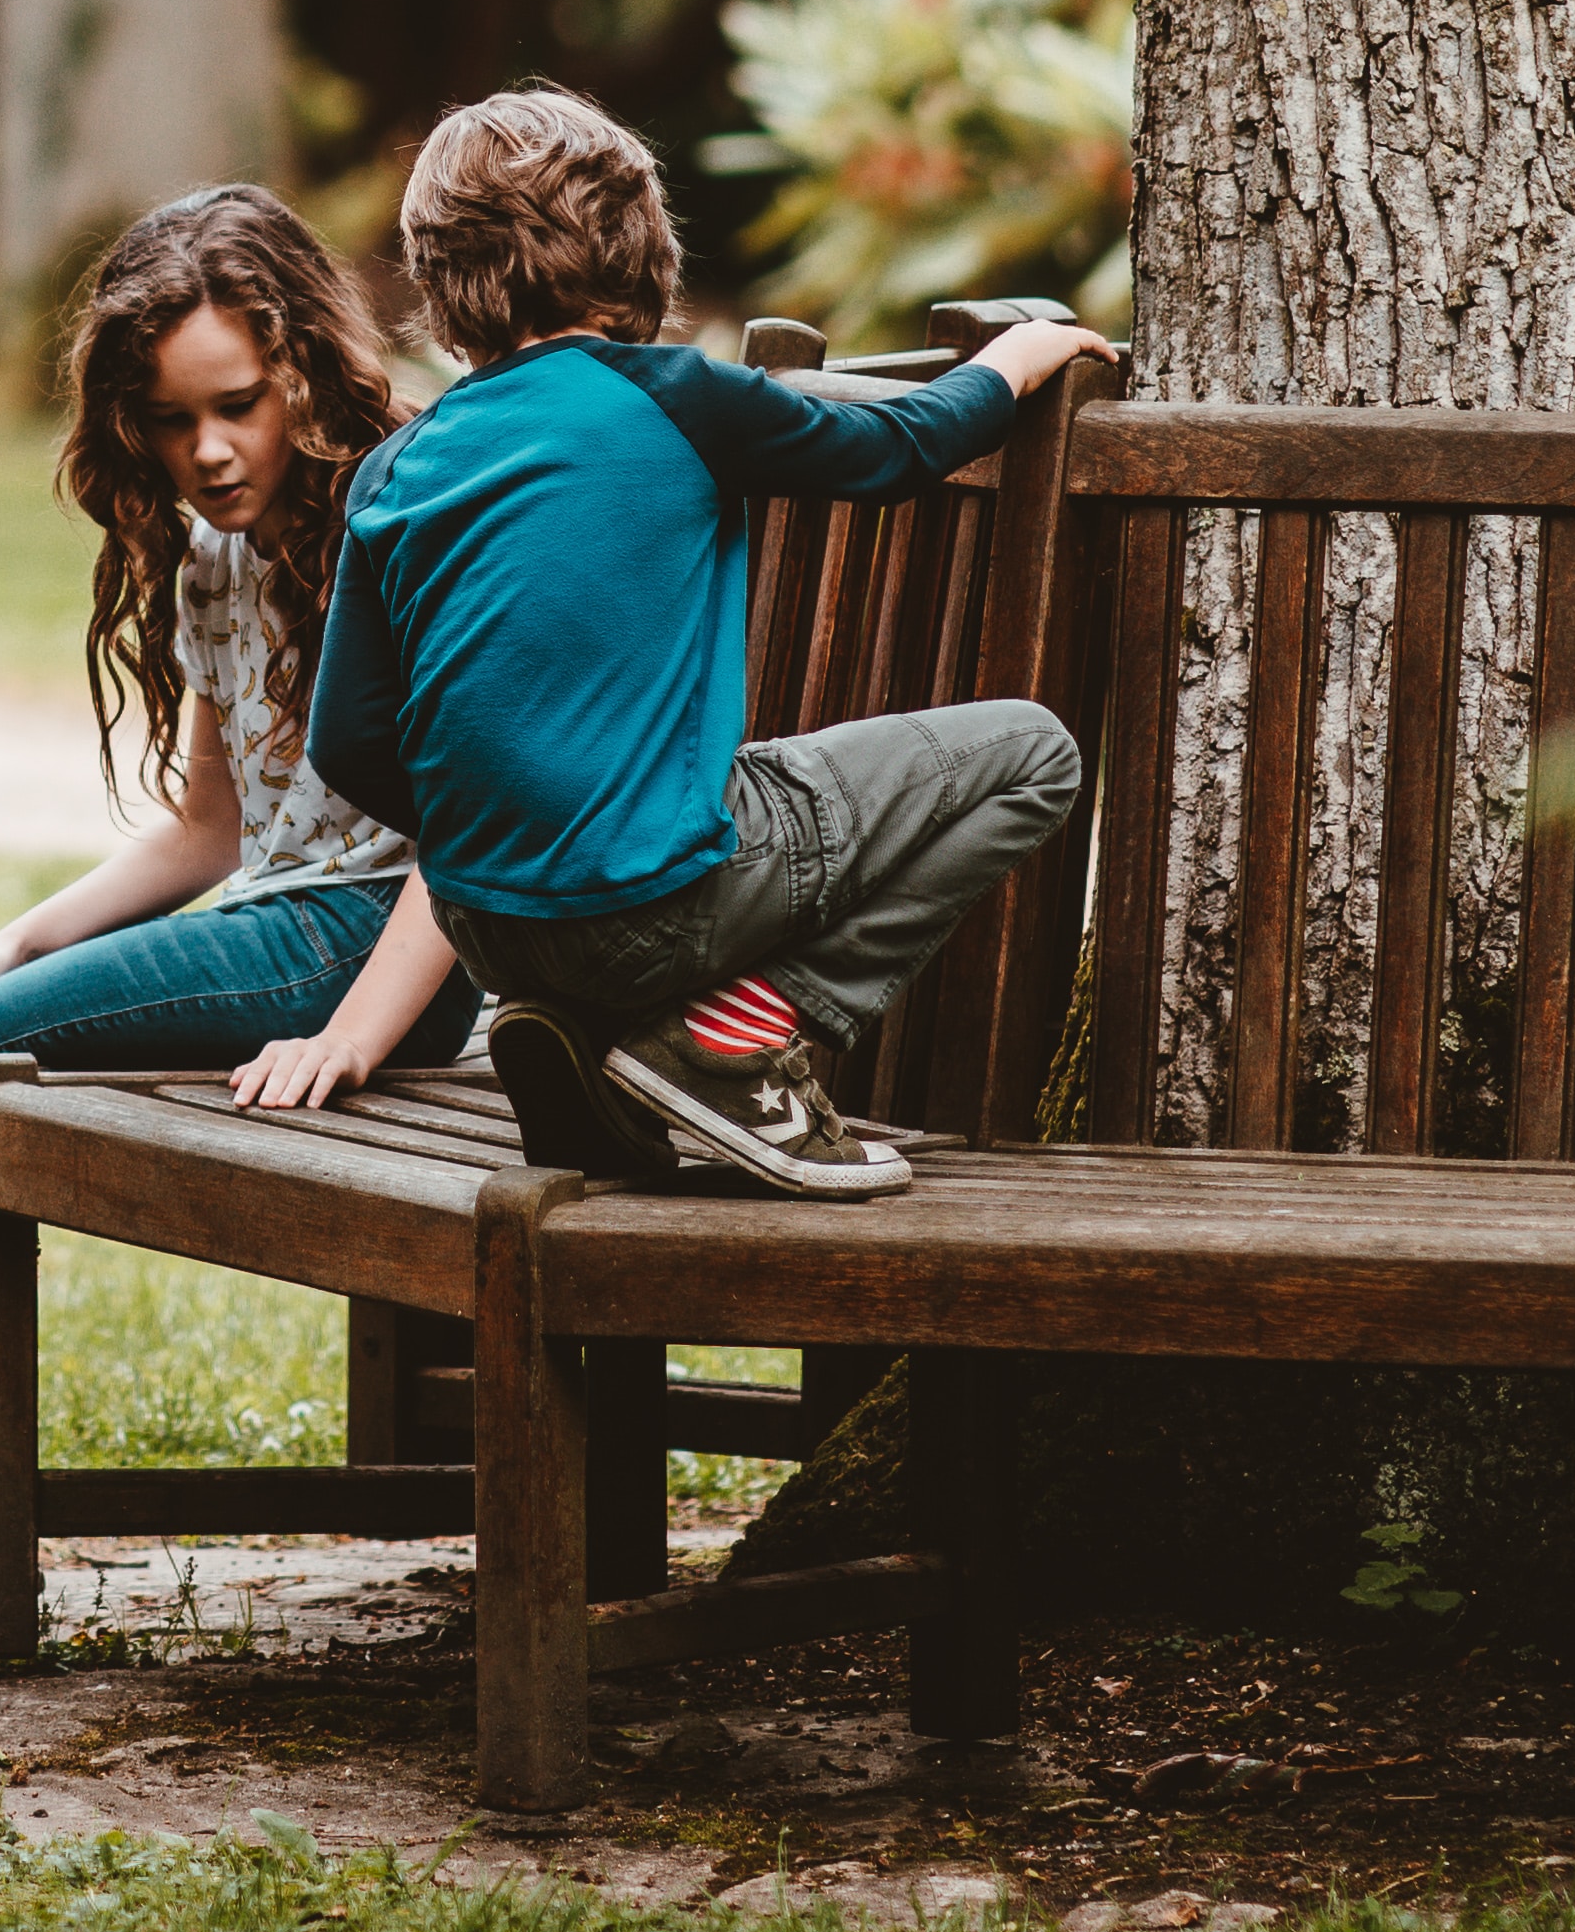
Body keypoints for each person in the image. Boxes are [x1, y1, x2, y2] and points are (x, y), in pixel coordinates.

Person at [0, 186, 473, 1676]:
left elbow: (477, 823)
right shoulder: (213, 548)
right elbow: (208, 827)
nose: (205, 450)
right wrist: (21, 940)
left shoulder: (404, 509)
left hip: (372, 951)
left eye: (238, 407)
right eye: (166, 419)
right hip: (283, 926)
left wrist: (355, 1028)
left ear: (305, 371)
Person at [310, 83, 1096, 1199]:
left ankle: (601, 1038)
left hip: (491, 929)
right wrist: (1015, 359)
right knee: (1032, 753)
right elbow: (893, 449)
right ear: (641, 250)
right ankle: (737, 1042)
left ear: (440, 283)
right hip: (657, 907)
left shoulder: (397, 468)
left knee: (638, 863)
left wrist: (511, 823)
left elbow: (348, 743)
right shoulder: (672, 396)